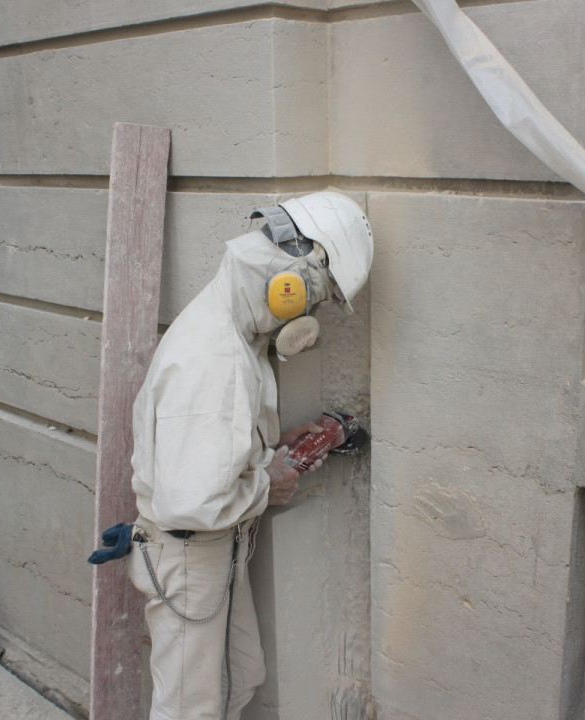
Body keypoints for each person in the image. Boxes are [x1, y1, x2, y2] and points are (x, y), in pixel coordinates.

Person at [126, 191, 374, 719]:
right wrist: (270, 483)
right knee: (190, 706)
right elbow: (191, 500)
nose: (310, 313)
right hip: (192, 553)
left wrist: (274, 450)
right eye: (318, 297)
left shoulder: (237, 338)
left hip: (216, 546)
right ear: (291, 284)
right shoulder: (214, 361)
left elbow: (210, 450)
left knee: (241, 676)